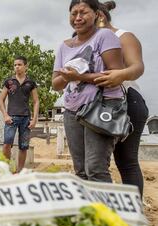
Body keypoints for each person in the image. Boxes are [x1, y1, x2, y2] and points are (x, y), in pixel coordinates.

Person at [52, 0, 124, 182]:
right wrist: (67, 77)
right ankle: (88, 210)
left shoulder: (105, 36)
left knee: (96, 169)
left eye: (83, 12)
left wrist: (80, 77)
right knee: (81, 171)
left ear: (96, 14)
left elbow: (115, 76)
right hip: (72, 111)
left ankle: (105, 210)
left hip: (102, 107)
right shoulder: (63, 46)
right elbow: (56, 84)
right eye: (73, 13)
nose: (78, 18)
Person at [94, 1, 148, 195]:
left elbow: (137, 67)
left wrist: (121, 75)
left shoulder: (123, 36)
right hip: (101, 105)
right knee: (97, 163)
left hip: (128, 101)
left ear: (99, 16)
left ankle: (133, 216)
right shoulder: (90, 41)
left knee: (126, 162)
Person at [0, 56, 39, 173]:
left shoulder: (30, 82)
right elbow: (1, 100)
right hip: (11, 118)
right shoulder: (9, 82)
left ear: (26, 66)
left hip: (26, 118)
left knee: (23, 146)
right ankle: (6, 170)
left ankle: (19, 171)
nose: (17, 67)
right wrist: (5, 115)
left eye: (19, 64)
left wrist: (34, 119)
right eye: (15, 65)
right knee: (7, 143)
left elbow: (36, 101)